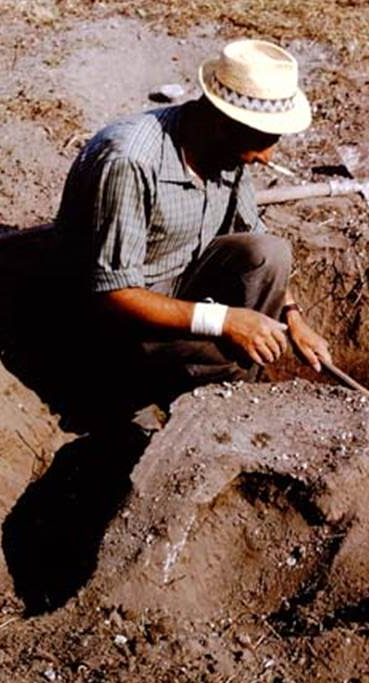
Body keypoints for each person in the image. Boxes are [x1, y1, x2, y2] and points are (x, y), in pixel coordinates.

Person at [55, 38, 332, 416]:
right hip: (115, 322)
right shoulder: (132, 161)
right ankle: (186, 405)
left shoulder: (227, 150)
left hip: (179, 289)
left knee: (271, 254)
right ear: (224, 122)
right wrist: (226, 321)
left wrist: (294, 317)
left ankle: (219, 379)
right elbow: (112, 294)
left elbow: (254, 232)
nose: (267, 158)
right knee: (231, 357)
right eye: (262, 142)